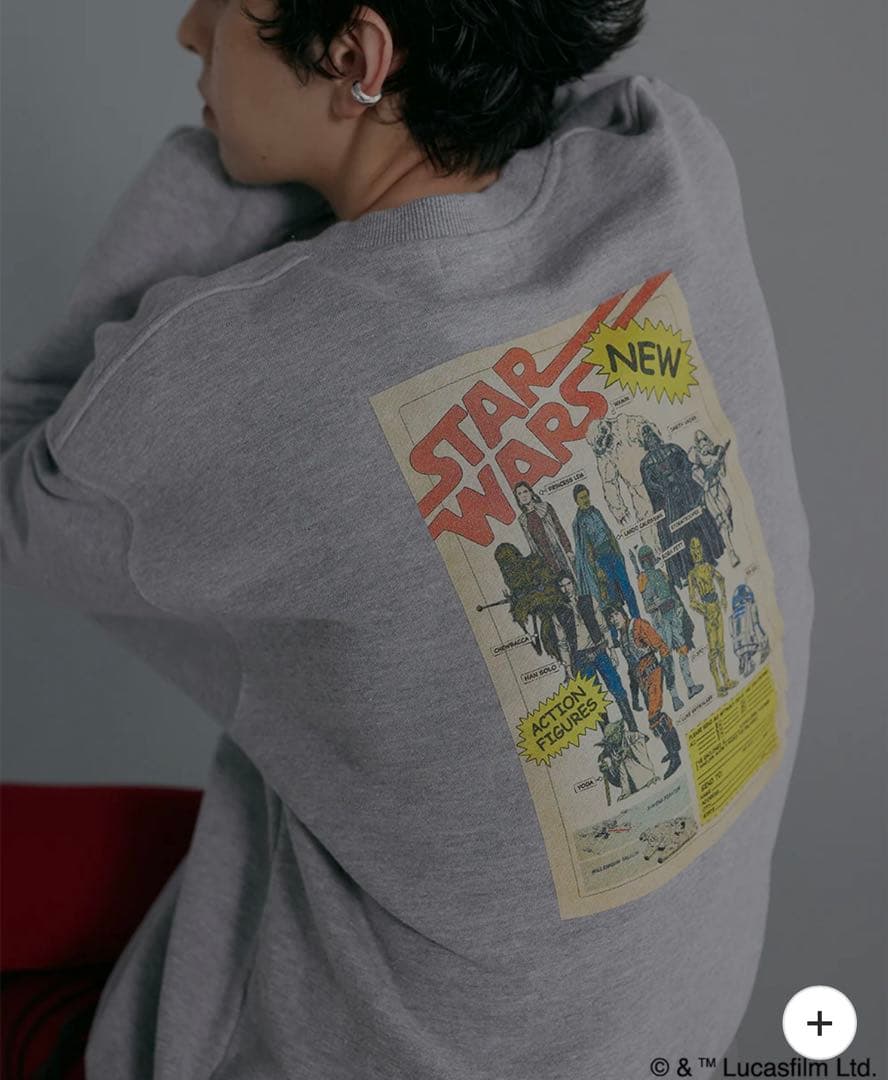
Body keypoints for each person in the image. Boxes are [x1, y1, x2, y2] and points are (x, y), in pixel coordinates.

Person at [0, 1, 815, 1077]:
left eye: (220, 4)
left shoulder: (245, 366)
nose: (189, 30)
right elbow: (534, 85)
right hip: (667, 1041)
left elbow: (20, 480)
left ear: (356, 54)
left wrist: (225, 161)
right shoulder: (666, 162)